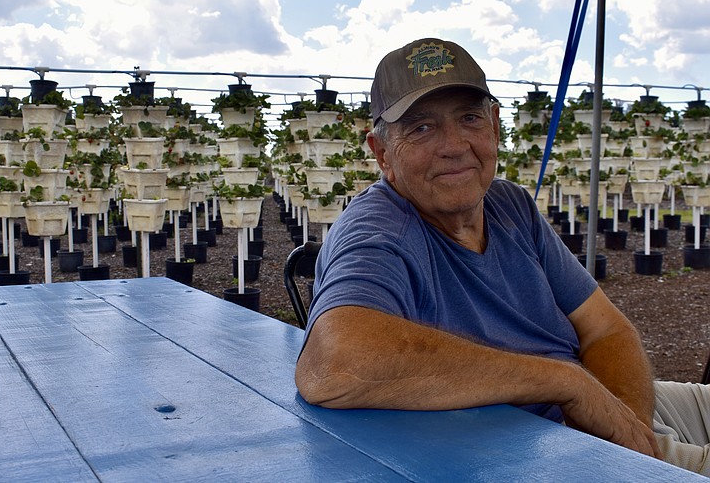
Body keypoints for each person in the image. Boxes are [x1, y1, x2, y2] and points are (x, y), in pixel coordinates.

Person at [294, 37, 710, 475]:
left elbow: (606, 329)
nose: (454, 145)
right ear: (382, 154)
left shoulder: (510, 204)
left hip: (612, 409)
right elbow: (334, 364)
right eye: (421, 128)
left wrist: (624, 423)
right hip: (544, 446)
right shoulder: (378, 230)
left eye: (469, 118)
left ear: (494, 127)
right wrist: (564, 382)